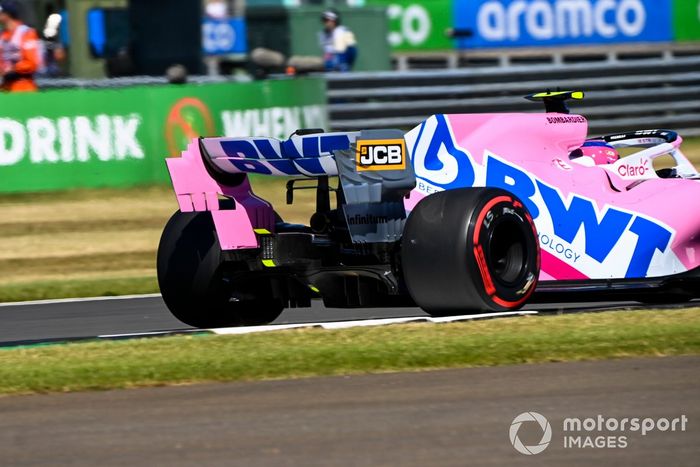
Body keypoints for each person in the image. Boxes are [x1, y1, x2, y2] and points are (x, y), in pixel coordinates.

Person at [0, 0, 42, 92]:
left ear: (7, 14)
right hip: (5, 88)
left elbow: (32, 63)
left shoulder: (27, 33)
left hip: (24, 87)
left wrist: (13, 69)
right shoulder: (2, 36)